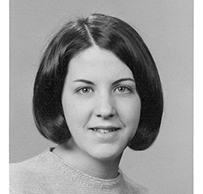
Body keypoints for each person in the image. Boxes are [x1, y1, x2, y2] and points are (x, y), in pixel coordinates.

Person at [10, 13, 163, 194]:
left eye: (122, 89)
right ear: (57, 98)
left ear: (144, 98)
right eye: (85, 90)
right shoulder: (13, 185)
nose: (105, 110)